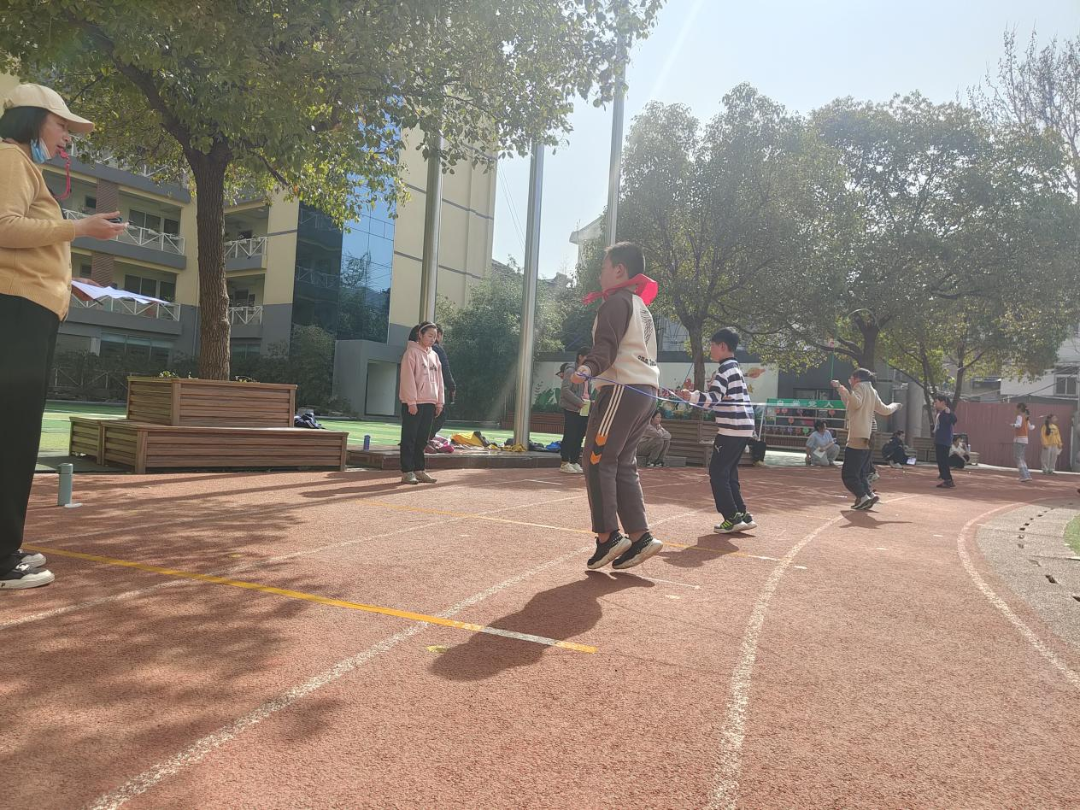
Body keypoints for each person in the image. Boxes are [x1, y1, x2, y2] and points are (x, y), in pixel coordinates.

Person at [1, 84, 126, 591]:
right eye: (62, 126)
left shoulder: (22, 166)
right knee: (12, 434)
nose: (67, 138)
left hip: (25, 311)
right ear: (33, 120)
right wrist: (79, 228)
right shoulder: (10, 159)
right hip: (15, 310)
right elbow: (4, 227)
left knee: (15, 433)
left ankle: (5, 548)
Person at [572, 242, 664, 570]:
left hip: (621, 389)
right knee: (623, 462)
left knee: (596, 460)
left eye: (603, 268)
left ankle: (608, 536)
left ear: (619, 270)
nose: (600, 275)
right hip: (645, 390)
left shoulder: (615, 303)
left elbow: (606, 346)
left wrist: (588, 368)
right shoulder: (640, 305)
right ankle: (640, 537)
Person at [678, 327, 758, 533]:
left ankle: (731, 517)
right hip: (743, 428)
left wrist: (691, 396)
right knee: (729, 472)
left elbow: (713, 399)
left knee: (717, 473)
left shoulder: (724, 371)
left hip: (731, 429)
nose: (710, 349)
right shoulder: (735, 368)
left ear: (722, 346)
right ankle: (742, 515)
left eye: (712, 345)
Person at [831, 369, 902, 509]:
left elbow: (855, 403)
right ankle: (869, 494)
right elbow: (884, 410)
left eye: (851, 378)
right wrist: (895, 405)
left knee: (849, 474)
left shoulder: (859, 388)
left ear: (857, 379)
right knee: (861, 471)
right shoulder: (872, 391)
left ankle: (863, 497)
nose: (850, 381)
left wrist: (840, 387)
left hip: (858, 435)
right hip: (870, 436)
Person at [398, 321, 444, 484]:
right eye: (430, 335)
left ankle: (419, 469)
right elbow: (407, 379)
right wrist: (411, 402)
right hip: (414, 403)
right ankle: (407, 471)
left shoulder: (434, 356)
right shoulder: (411, 353)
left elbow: (439, 380)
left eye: (435, 336)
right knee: (409, 437)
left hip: (430, 401)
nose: (433, 339)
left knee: (422, 438)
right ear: (420, 335)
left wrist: (439, 402)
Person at [559, 348, 590, 473]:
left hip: (584, 407)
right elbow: (565, 390)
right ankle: (564, 462)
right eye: (587, 357)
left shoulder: (587, 373)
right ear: (580, 356)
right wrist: (579, 402)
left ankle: (574, 461)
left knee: (579, 435)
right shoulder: (571, 370)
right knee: (570, 434)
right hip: (572, 407)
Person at [428, 325, 455, 440]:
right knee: (440, 415)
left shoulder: (416, 350)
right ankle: (426, 440)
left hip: (421, 389)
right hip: (432, 389)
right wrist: (452, 387)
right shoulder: (437, 350)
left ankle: (414, 440)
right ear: (439, 335)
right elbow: (445, 370)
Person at [930, 394, 958, 488]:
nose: (935, 403)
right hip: (940, 439)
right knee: (940, 460)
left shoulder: (947, 412)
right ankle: (945, 477)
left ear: (942, 402)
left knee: (943, 460)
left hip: (944, 440)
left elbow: (954, 420)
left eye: (936, 402)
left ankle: (948, 479)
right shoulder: (940, 413)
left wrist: (949, 413)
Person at [1012, 402, 1034, 483]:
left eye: (1016, 408)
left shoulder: (1019, 416)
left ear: (1019, 409)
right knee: (1021, 458)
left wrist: (1013, 425)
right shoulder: (1026, 418)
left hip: (1019, 439)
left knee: (1018, 458)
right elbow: (1031, 428)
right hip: (1025, 440)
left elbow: (1018, 425)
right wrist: (1034, 426)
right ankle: (1027, 475)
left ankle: (1024, 475)